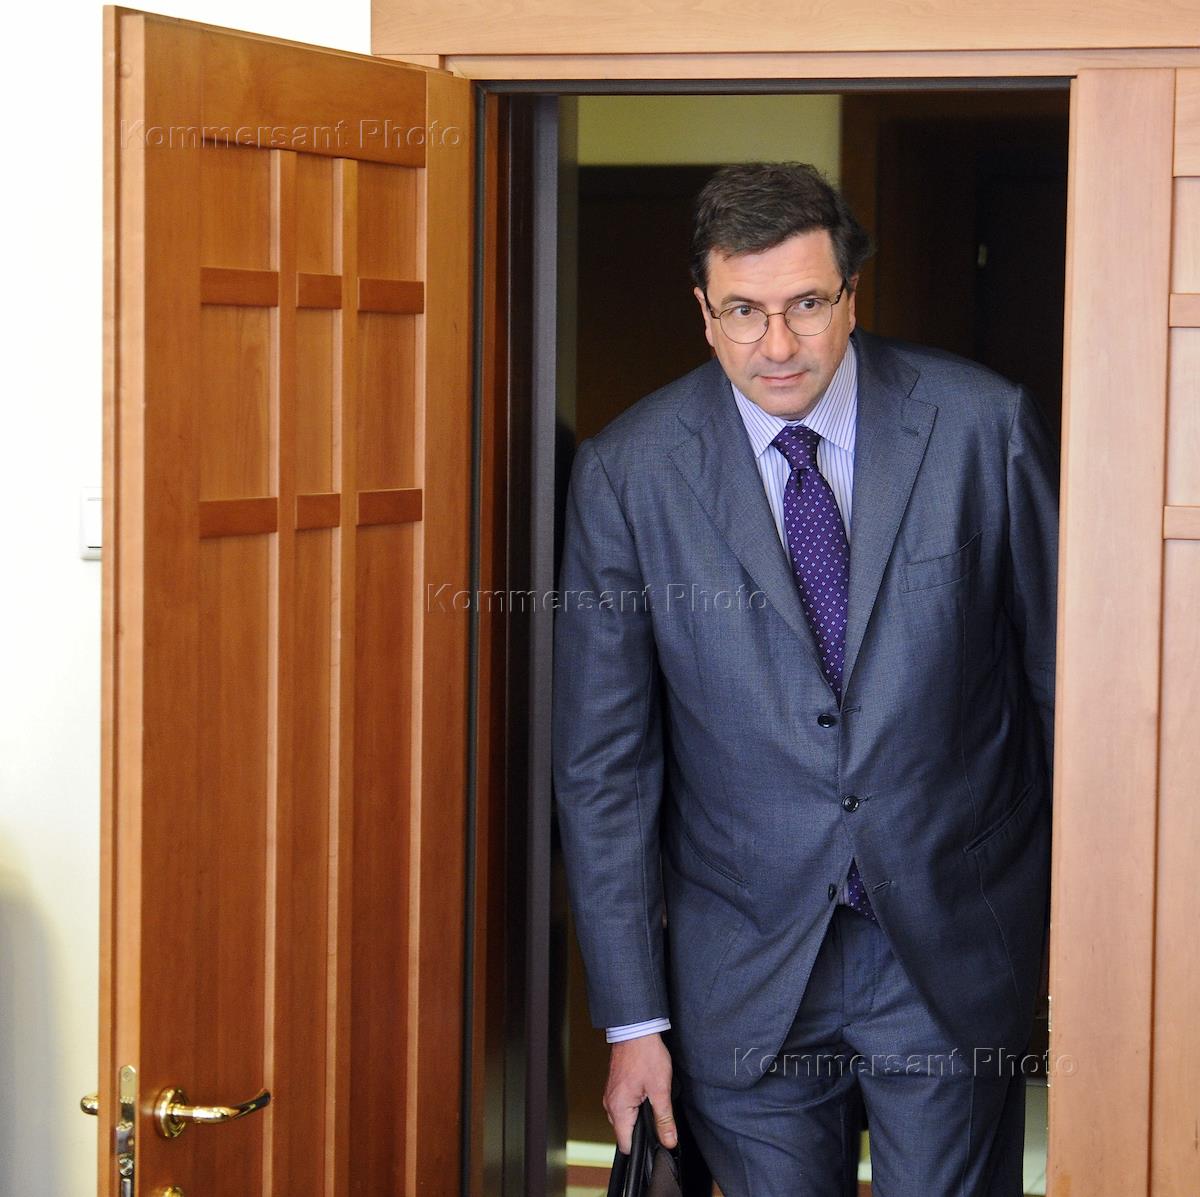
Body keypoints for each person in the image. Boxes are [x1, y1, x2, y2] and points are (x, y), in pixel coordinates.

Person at [552, 162, 1058, 1196]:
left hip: (951, 946)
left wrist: (1083, 937)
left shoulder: (981, 425)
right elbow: (605, 767)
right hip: (744, 968)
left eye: (806, 305)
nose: (777, 345)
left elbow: (1065, 687)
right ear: (703, 312)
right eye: (744, 310)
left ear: (851, 295)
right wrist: (633, 1019)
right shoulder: (627, 472)